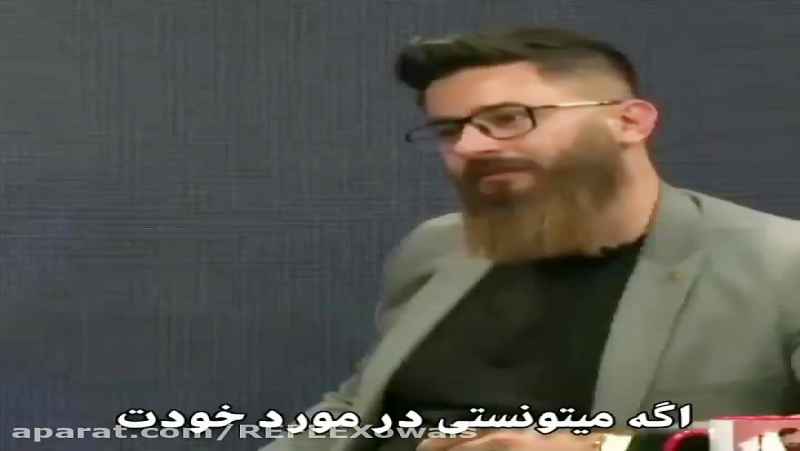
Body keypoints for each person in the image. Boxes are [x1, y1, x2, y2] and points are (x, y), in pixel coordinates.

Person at [260, 26, 800, 451]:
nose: (470, 147)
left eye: (508, 118)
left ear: (630, 122)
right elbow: (356, 407)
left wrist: (601, 448)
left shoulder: (780, 262)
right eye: (450, 130)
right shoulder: (437, 247)